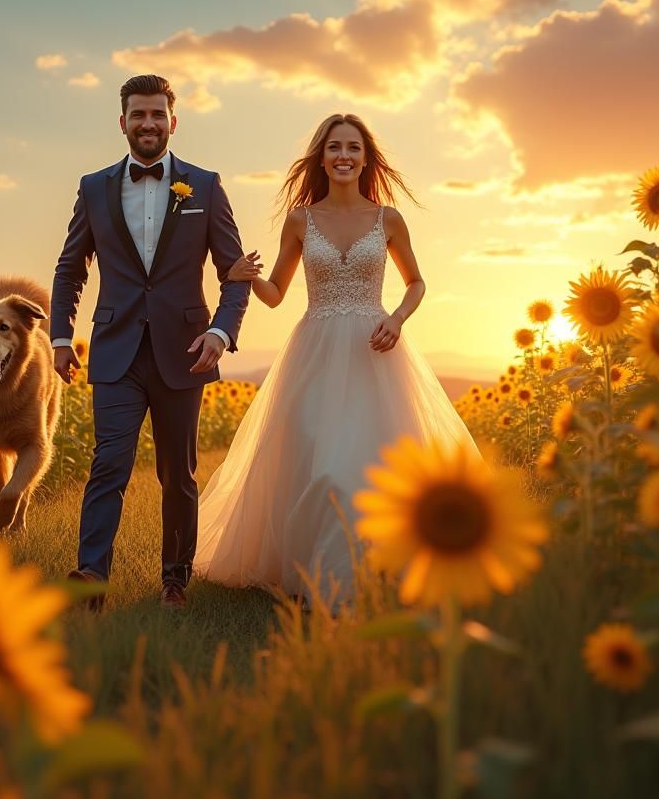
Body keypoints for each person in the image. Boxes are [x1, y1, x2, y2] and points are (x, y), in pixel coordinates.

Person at [193, 113, 479, 606]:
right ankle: (322, 585)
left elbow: (416, 282)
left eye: (352, 148)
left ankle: (378, 581)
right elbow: (276, 293)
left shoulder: (387, 219)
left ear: (366, 158)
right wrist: (241, 276)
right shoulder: (301, 220)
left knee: (370, 468)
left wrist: (397, 318)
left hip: (376, 351)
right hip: (317, 352)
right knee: (322, 467)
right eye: (334, 148)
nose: (343, 156)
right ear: (321, 158)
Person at [51, 74, 250, 609]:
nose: (148, 123)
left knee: (177, 474)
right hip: (115, 348)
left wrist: (220, 330)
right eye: (138, 114)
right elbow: (71, 268)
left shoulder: (205, 186)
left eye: (157, 114)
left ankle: (175, 580)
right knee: (108, 464)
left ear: (173, 121)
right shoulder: (94, 187)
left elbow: (234, 273)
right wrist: (61, 335)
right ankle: (92, 577)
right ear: (122, 122)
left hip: (185, 350)